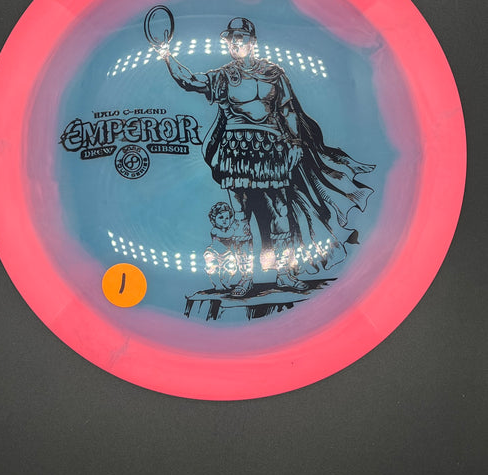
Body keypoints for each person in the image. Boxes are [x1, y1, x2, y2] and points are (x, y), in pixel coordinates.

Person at [155, 16, 375, 297]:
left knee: (281, 212)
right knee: (240, 216)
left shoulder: (274, 73)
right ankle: (245, 279)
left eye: (240, 38)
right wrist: (166, 54)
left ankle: (285, 274)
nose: (235, 43)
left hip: (272, 147)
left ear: (252, 41)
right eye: (231, 39)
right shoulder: (224, 76)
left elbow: (288, 110)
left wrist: (295, 142)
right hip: (237, 150)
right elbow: (189, 80)